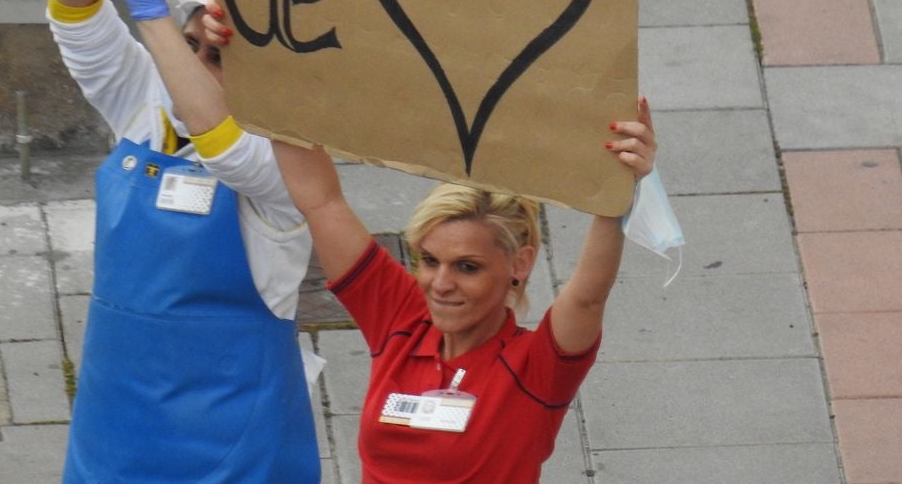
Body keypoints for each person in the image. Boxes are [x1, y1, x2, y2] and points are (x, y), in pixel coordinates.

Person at [264, 93, 657, 484]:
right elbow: (321, 201)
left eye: (468, 267)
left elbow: (588, 297)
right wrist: (265, 69)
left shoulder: (536, 367)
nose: (441, 284)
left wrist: (620, 182)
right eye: (430, 260)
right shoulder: (402, 318)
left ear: (520, 263)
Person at [50, 0, 319, 484]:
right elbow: (79, 23)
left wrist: (152, 17)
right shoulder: (145, 106)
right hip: (113, 426)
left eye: (218, 58)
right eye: (187, 44)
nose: (192, 65)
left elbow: (225, 147)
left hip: (233, 443)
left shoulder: (287, 160)